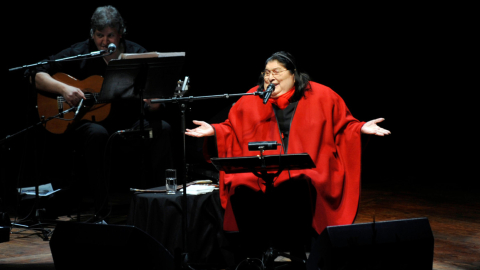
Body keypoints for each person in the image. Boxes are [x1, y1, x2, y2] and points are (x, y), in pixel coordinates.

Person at [185, 51, 390, 265]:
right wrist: (215, 131)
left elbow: (345, 125)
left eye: (276, 72)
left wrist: (360, 128)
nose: (270, 78)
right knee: (241, 182)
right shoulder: (253, 97)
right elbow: (231, 127)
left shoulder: (322, 95)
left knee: (301, 181)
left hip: (311, 165)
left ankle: (295, 247)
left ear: (293, 75)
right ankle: (255, 250)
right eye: (266, 73)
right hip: (262, 166)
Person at [27, 5, 173, 221]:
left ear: (121, 33)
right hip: (92, 127)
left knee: (163, 128)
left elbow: (153, 104)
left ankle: (159, 205)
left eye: (110, 35)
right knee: (96, 133)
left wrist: (154, 103)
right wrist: (64, 89)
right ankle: (102, 211)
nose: (105, 42)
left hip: (128, 125)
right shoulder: (80, 52)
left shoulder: (138, 55)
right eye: (100, 36)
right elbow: (34, 73)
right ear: (92, 35)